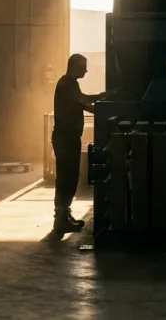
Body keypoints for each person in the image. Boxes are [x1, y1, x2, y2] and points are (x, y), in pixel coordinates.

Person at [51, 54, 106, 234]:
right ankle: (60, 219)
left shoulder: (70, 84)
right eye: (84, 67)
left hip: (68, 138)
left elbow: (81, 105)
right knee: (66, 177)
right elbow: (83, 100)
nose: (86, 70)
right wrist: (103, 96)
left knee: (70, 176)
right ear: (75, 66)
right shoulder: (67, 84)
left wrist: (100, 110)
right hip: (65, 138)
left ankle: (64, 215)